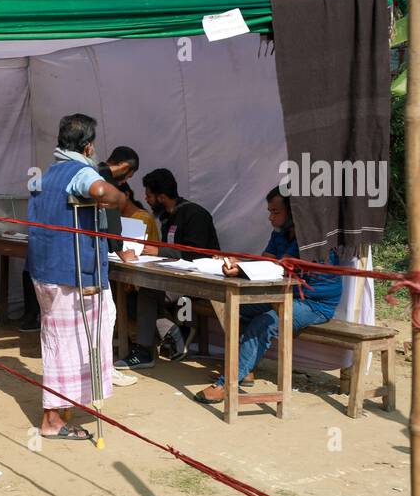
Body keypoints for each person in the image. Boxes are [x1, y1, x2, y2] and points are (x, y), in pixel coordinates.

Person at [25, 114, 129, 440]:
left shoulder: (47, 173)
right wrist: (120, 198)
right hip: (71, 273)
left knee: (58, 341)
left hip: (45, 270)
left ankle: (62, 406)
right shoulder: (80, 171)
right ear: (88, 146)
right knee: (68, 345)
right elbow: (100, 190)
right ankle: (52, 419)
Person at [195, 187, 344, 404]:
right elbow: (266, 261)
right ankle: (245, 369)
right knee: (238, 308)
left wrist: (243, 267)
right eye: (270, 211)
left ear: (293, 213)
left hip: (313, 303)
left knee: (265, 322)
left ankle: (227, 384)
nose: (270, 217)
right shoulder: (280, 233)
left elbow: (279, 268)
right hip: (283, 294)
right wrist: (236, 263)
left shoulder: (312, 239)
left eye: (276, 212)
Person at [121, 169, 220, 369]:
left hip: (200, 279)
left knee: (147, 291)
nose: (146, 200)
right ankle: (172, 332)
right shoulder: (169, 217)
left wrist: (159, 251)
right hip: (175, 278)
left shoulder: (195, 215)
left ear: (162, 197)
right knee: (133, 291)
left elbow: (196, 254)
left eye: (149, 196)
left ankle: (145, 350)